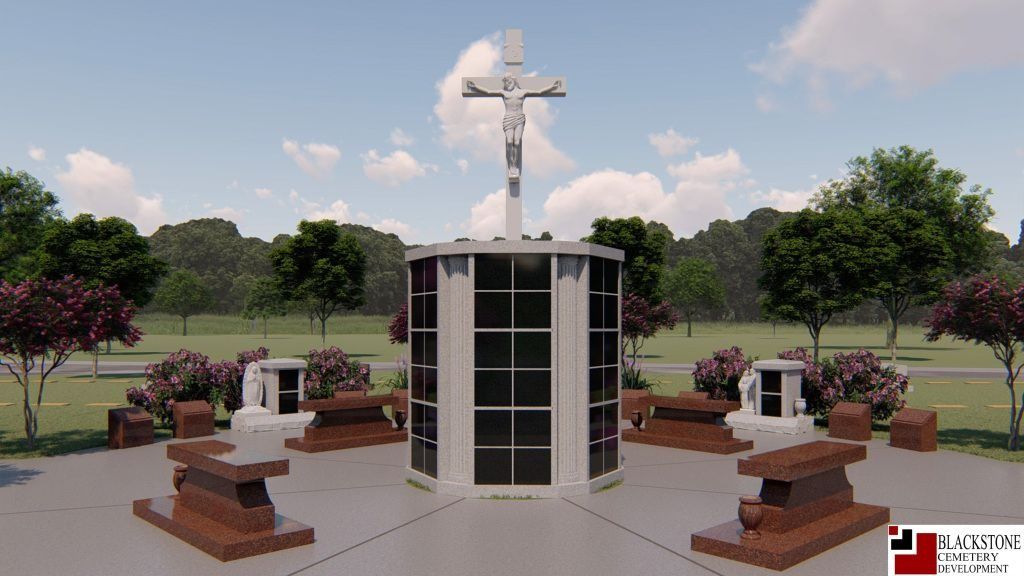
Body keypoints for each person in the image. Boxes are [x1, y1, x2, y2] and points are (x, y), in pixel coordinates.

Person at [466, 74, 561, 180]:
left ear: (513, 80)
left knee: (517, 141)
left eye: (508, 81)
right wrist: (475, 87)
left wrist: (553, 87)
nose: (507, 83)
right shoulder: (504, 92)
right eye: (505, 82)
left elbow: (539, 92)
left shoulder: (523, 92)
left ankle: (515, 165)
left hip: (519, 118)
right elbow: (488, 91)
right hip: (508, 119)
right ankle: (511, 165)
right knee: (510, 141)